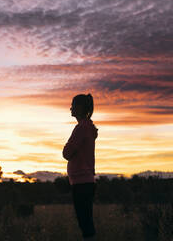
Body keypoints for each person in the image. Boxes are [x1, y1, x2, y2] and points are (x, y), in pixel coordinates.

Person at [63, 94, 98, 241]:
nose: (70, 107)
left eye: (73, 104)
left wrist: (66, 148)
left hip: (82, 183)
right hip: (85, 182)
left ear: (80, 107)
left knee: (85, 223)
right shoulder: (87, 127)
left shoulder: (81, 128)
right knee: (86, 222)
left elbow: (67, 152)